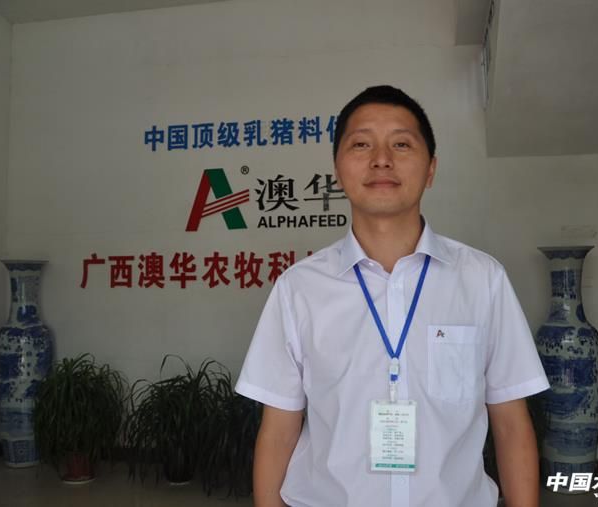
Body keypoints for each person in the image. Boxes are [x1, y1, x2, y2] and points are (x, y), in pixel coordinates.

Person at [235, 85, 549, 507]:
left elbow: (511, 424)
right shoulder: (299, 289)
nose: (381, 159)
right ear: (337, 169)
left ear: (431, 169)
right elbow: (278, 432)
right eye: (361, 144)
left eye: (401, 144)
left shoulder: (482, 280)